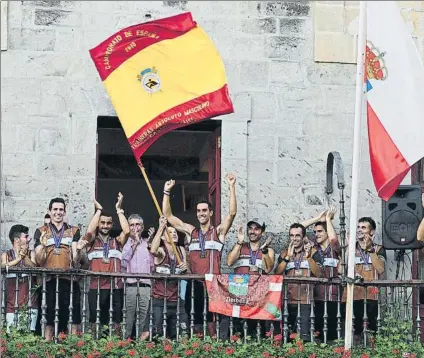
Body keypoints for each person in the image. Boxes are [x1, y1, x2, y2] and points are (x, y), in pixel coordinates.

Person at [162, 173, 237, 338]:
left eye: (204, 210)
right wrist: (166, 192)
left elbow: (231, 214)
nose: (201, 213)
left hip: (214, 284)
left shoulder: (218, 232)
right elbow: (169, 217)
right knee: (195, 322)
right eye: (198, 211)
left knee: (213, 322)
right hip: (194, 283)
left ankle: (213, 350)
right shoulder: (191, 232)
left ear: (210, 213)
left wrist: (231, 187)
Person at [76, 193, 130, 337]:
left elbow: (127, 231)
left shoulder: (117, 241)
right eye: (102, 223)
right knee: (95, 320)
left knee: (117, 321)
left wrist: (119, 210)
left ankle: (116, 347)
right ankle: (95, 347)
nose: (105, 226)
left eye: (108, 223)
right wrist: (98, 210)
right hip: (96, 288)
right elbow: (88, 231)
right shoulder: (92, 242)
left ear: (112, 225)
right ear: (99, 224)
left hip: (115, 287)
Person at [34, 198, 82, 341]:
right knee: (48, 321)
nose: (58, 212)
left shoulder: (74, 231)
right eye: (55, 209)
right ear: (49, 211)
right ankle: (48, 351)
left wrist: (78, 250)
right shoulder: (41, 231)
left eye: (61, 209)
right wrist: (42, 246)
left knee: (73, 320)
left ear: (65, 212)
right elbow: (39, 260)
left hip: (69, 281)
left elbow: (76, 260)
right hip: (49, 281)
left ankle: (74, 351)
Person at [275, 223, 323, 342]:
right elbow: (277, 273)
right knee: (286, 337)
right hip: (287, 301)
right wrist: (287, 258)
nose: (294, 238)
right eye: (291, 235)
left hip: (305, 301)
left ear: (303, 237)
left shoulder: (313, 252)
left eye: (297, 235)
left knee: (303, 338)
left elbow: (319, 273)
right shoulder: (284, 253)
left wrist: (309, 257)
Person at [342, 217, 386, 341]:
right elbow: (341, 270)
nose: (359, 230)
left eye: (363, 227)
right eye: (358, 227)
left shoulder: (378, 249)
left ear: (371, 232)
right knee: (354, 333)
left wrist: (370, 249)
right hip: (353, 295)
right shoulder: (351, 248)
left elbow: (381, 269)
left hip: (372, 296)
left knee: (371, 332)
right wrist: (348, 247)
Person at [301, 207, 341, 342]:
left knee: (333, 336)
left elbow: (334, 239)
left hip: (334, 297)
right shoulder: (313, 248)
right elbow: (298, 229)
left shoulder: (335, 249)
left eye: (319, 231)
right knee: (317, 336)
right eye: (314, 232)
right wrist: (318, 218)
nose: (316, 234)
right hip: (316, 297)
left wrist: (328, 220)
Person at [149, 216, 189, 338]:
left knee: (183, 334)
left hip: (177, 301)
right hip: (159, 301)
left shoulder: (181, 250)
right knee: (158, 335)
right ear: (163, 237)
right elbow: (153, 250)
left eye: (175, 232)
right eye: (170, 232)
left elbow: (189, 272)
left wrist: (186, 268)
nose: (174, 234)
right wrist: (161, 227)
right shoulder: (161, 251)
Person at [121, 213, 155, 340]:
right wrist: (134, 244)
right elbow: (123, 263)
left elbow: (153, 266)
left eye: (138, 224)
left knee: (142, 317)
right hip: (130, 286)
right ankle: (125, 345)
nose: (135, 227)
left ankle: (138, 347)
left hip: (145, 286)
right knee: (128, 318)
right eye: (132, 225)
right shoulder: (126, 244)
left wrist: (152, 243)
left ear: (142, 227)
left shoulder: (148, 244)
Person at [1, 225, 37, 332]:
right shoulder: (6, 255)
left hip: (30, 304)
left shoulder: (31, 254)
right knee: (11, 336)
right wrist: (18, 259)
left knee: (29, 336)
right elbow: (3, 266)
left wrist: (24, 257)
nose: (28, 239)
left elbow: (34, 267)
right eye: (26, 236)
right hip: (12, 305)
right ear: (16, 239)